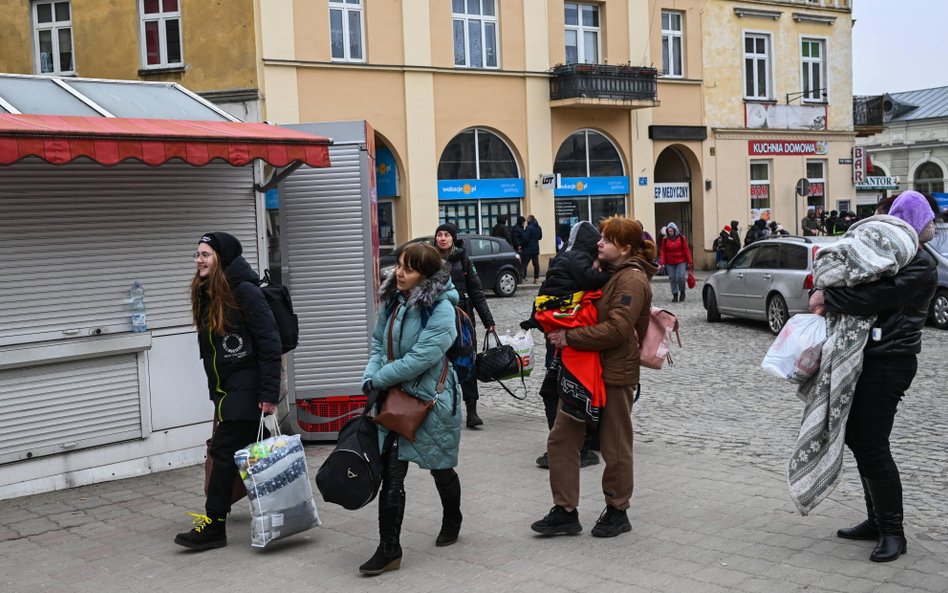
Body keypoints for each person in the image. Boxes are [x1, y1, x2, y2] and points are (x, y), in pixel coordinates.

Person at [802, 191, 936, 563]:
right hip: (868, 357)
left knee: (871, 442)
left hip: (891, 360)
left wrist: (829, 295)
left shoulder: (919, 264)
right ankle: (876, 521)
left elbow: (872, 299)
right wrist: (827, 287)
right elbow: (857, 286)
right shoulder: (889, 257)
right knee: (861, 441)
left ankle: (893, 531)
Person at [532, 216, 657, 538]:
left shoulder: (632, 280)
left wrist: (569, 338)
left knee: (614, 445)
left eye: (607, 239)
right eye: (601, 237)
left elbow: (617, 329)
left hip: (614, 373)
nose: (599, 243)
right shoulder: (610, 274)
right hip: (585, 372)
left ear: (625, 248)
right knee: (561, 439)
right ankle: (565, 511)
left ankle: (618, 510)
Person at [359, 243, 463, 575]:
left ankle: (453, 516)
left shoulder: (441, 309)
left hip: (430, 400)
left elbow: (420, 359)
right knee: (392, 473)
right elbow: (378, 342)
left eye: (409, 268)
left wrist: (380, 379)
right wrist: (370, 377)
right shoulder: (394, 300)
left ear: (427, 275)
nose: (399, 272)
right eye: (399, 265)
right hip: (393, 400)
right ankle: (389, 549)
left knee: (440, 467)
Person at [174, 232, 281, 551]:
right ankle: (278, 510)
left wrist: (268, 393)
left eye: (205, 254)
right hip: (227, 388)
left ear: (222, 258)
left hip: (247, 386)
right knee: (255, 455)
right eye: (197, 254)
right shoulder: (211, 291)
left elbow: (269, 341)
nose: (199, 260)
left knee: (221, 452)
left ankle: (214, 525)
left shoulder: (245, 291)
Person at [523, 221, 612, 470]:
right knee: (562, 391)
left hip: (573, 342)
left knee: (569, 392)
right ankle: (578, 444)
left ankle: (580, 446)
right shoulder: (580, 262)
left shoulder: (567, 260)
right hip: (564, 340)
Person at [434, 222, 495, 428]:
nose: (442, 238)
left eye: (446, 235)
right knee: (438, 366)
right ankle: (440, 410)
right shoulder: (429, 260)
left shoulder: (464, 260)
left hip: (463, 321)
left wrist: (489, 322)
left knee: (467, 364)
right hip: (437, 322)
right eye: (439, 235)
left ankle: (472, 412)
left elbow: (477, 292)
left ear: (453, 238)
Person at [658, 222, 692, 302]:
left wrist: (690, 261)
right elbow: (663, 251)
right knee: (672, 278)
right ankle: (675, 294)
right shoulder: (665, 240)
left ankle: (682, 291)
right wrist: (662, 262)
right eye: (669, 231)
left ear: (675, 230)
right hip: (670, 262)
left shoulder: (681, 238)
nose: (670, 233)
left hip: (681, 261)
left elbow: (686, 249)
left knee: (680, 277)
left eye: (671, 231)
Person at [522, 215, 543, 283]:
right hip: (536, 248)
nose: (526, 221)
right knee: (536, 264)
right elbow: (540, 237)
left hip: (528, 249)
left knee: (524, 264)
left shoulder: (529, 227)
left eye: (527, 219)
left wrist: (522, 245)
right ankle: (536, 279)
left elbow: (526, 238)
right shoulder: (538, 227)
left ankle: (523, 278)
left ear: (529, 219)